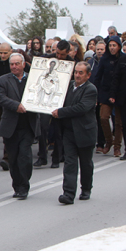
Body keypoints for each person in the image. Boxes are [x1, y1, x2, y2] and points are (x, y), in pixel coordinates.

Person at [52, 62, 98, 204]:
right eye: (76, 72)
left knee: (85, 163)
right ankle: (68, 193)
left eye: (81, 73)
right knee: (70, 163)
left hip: (85, 132)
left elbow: (81, 108)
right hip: (69, 132)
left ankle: (86, 189)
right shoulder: (68, 85)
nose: (77, 75)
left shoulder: (90, 89)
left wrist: (61, 112)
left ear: (88, 75)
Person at [0, 53, 39, 199]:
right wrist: (16, 106)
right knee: (13, 158)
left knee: (24, 157)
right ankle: (17, 186)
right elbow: (0, 98)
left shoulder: (33, 80)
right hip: (11, 126)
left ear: (23, 64)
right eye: (12, 64)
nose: (14, 66)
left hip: (27, 125)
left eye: (17, 64)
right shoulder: (2, 81)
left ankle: (24, 186)